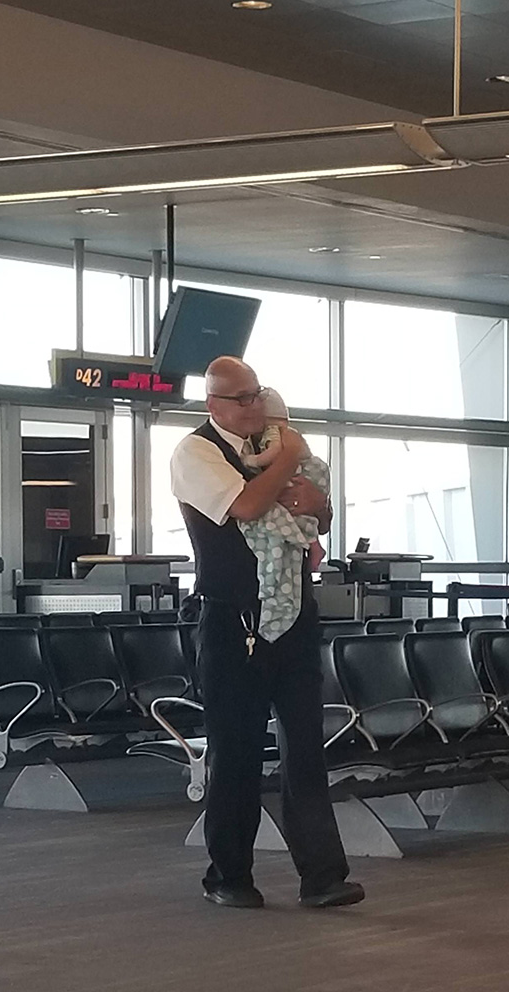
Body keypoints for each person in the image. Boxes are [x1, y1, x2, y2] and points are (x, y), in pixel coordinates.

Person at [170, 355, 364, 910]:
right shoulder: (196, 451)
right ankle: (229, 876)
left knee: (306, 747)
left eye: (257, 395)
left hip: (295, 615)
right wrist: (295, 457)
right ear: (213, 405)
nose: (253, 406)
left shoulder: (271, 447)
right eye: (240, 398)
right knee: (235, 752)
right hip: (233, 620)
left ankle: (323, 876)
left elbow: (310, 517)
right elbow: (250, 505)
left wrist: (321, 508)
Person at [238, 388, 328, 642]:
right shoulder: (289, 439)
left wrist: (252, 461)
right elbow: (249, 506)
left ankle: (307, 544)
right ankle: (308, 543)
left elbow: (323, 518)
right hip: (245, 600)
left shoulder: (278, 439)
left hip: (297, 596)